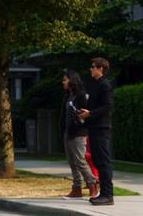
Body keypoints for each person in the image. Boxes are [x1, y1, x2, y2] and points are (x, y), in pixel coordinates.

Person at [78, 57, 113, 206]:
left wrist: (90, 114)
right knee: (97, 160)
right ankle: (103, 194)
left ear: (101, 69)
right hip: (93, 127)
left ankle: (107, 194)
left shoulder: (105, 85)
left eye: (93, 67)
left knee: (103, 161)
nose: (91, 69)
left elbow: (107, 106)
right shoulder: (94, 85)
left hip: (101, 128)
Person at [61, 70, 98, 199]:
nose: (63, 82)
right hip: (68, 132)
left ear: (72, 80)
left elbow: (86, 114)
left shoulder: (82, 95)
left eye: (65, 79)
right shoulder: (68, 95)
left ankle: (93, 184)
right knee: (72, 162)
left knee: (80, 161)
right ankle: (77, 188)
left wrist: (81, 124)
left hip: (79, 133)